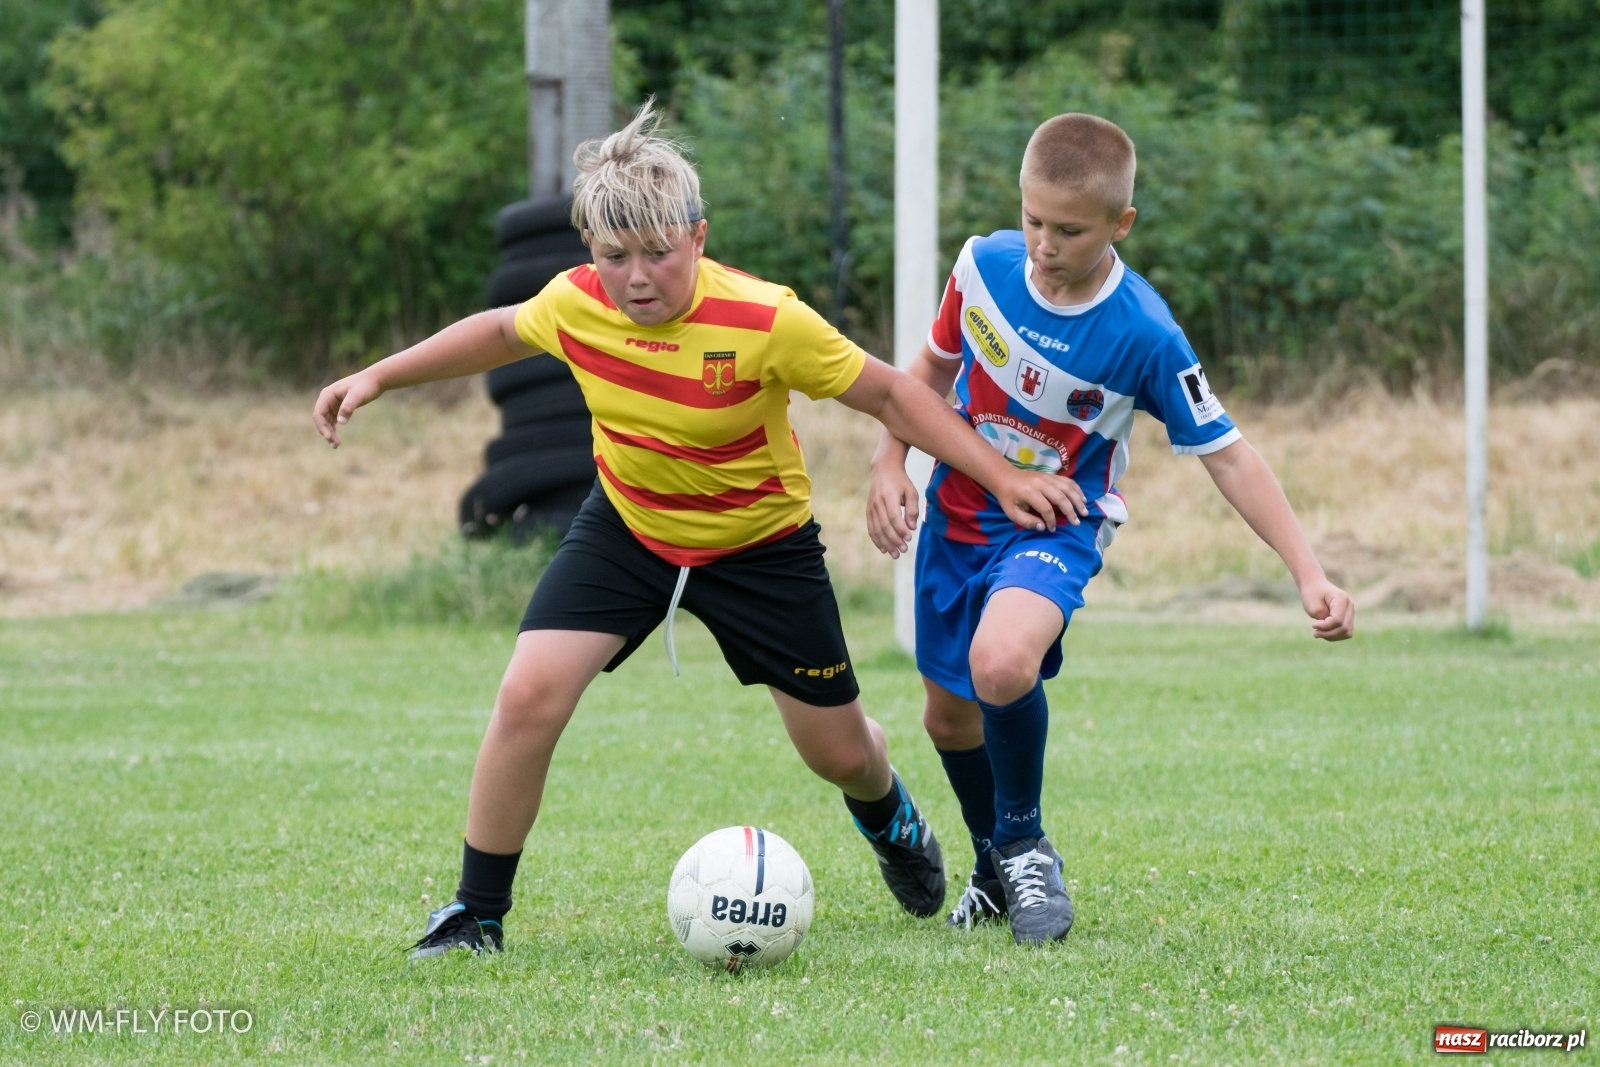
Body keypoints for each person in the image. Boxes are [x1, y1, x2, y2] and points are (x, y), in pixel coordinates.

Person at [311, 100, 1086, 958]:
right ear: (589, 254)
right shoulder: (575, 304)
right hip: (630, 528)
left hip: (761, 547)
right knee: (528, 695)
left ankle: (890, 812)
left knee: (838, 753)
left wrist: (1004, 475)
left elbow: (895, 395)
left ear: (699, 238)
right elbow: (498, 331)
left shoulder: (766, 321)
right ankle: (474, 915)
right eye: (613, 257)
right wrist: (378, 376)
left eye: (657, 253)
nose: (636, 276)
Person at [866, 113, 1356, 946]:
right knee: (947, 721)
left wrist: (1307, 571)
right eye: (1033, 220)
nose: (1043, 244)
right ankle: (992, 863)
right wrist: (888, 462)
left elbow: (1229, 454)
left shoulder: (1144, 331)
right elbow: (927, 377)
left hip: (1056, 527)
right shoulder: (982, 267)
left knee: (1002, 660)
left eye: (1069, 229)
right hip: (956, 517)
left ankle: (1024, 844)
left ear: (1120, 224)